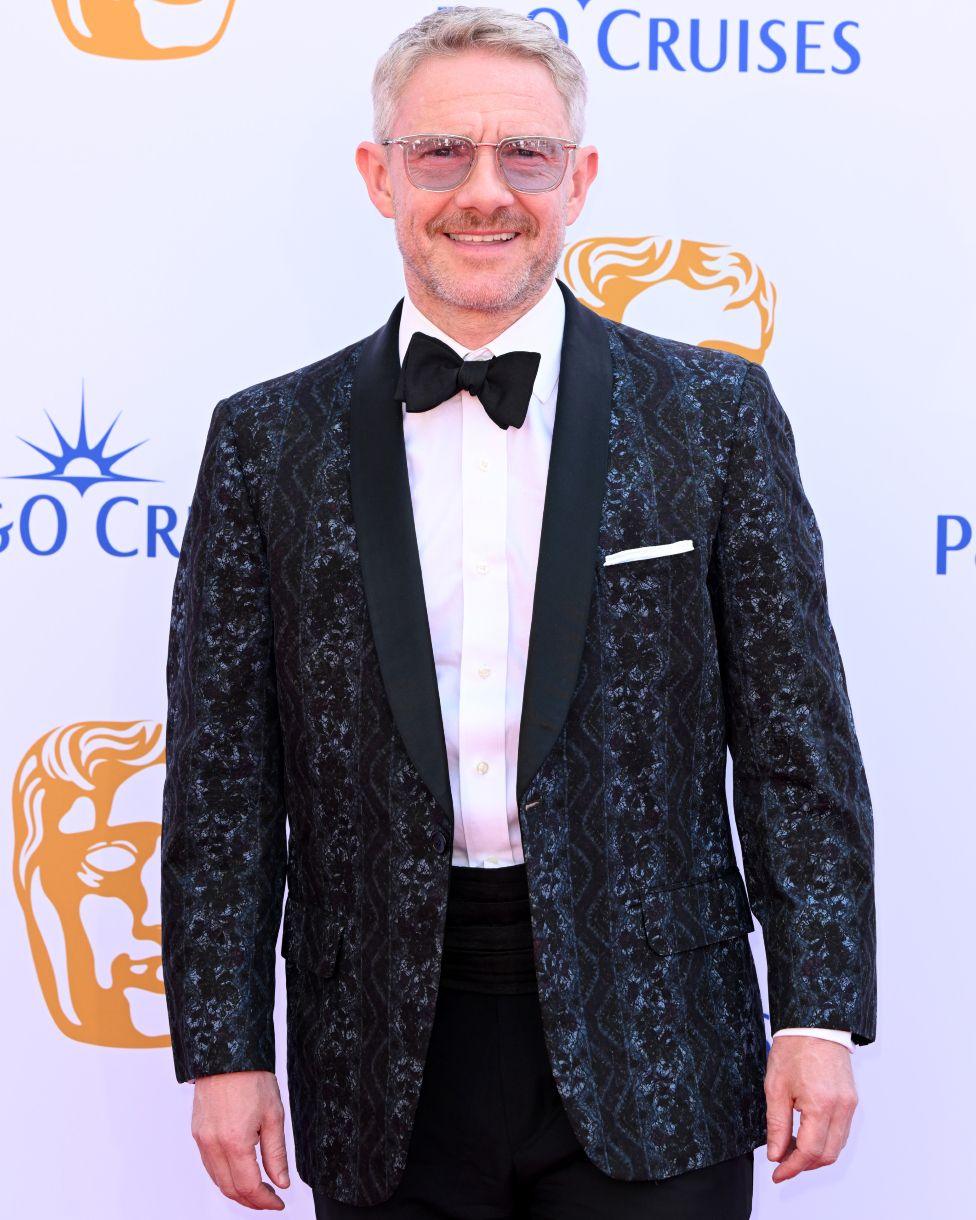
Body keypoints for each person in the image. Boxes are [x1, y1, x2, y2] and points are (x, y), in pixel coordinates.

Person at [160, 7, 877, 1218]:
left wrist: (817, 1008)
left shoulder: (713, 413)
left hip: (662, 1037)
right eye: (440, 152)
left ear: (578, 179)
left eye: (524, 156)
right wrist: (223, 1043)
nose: (483, 191)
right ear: (377, 174)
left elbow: (794, 742)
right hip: (376, 1052)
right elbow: (227, 775)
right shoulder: (264, 440)